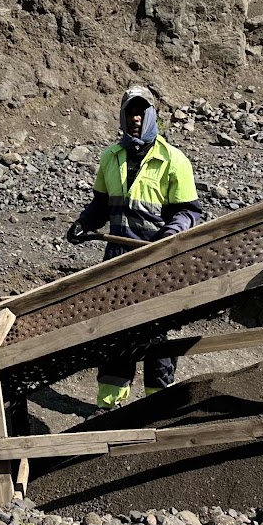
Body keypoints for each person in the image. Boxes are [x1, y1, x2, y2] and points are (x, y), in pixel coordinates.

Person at [65, 85, 202, 408]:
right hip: (117, 263)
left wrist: (169, 237)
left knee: (155, 334)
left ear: (153, 114)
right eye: (130, 112)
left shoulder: (173, 160)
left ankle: (157, 406)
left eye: (141, 111)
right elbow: (101, 203)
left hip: (158, 265)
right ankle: (109, 407)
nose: (136, 118)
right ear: (123, 117)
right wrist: (85, 223)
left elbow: (188, 212)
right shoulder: (110, 157)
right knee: (115, 334)